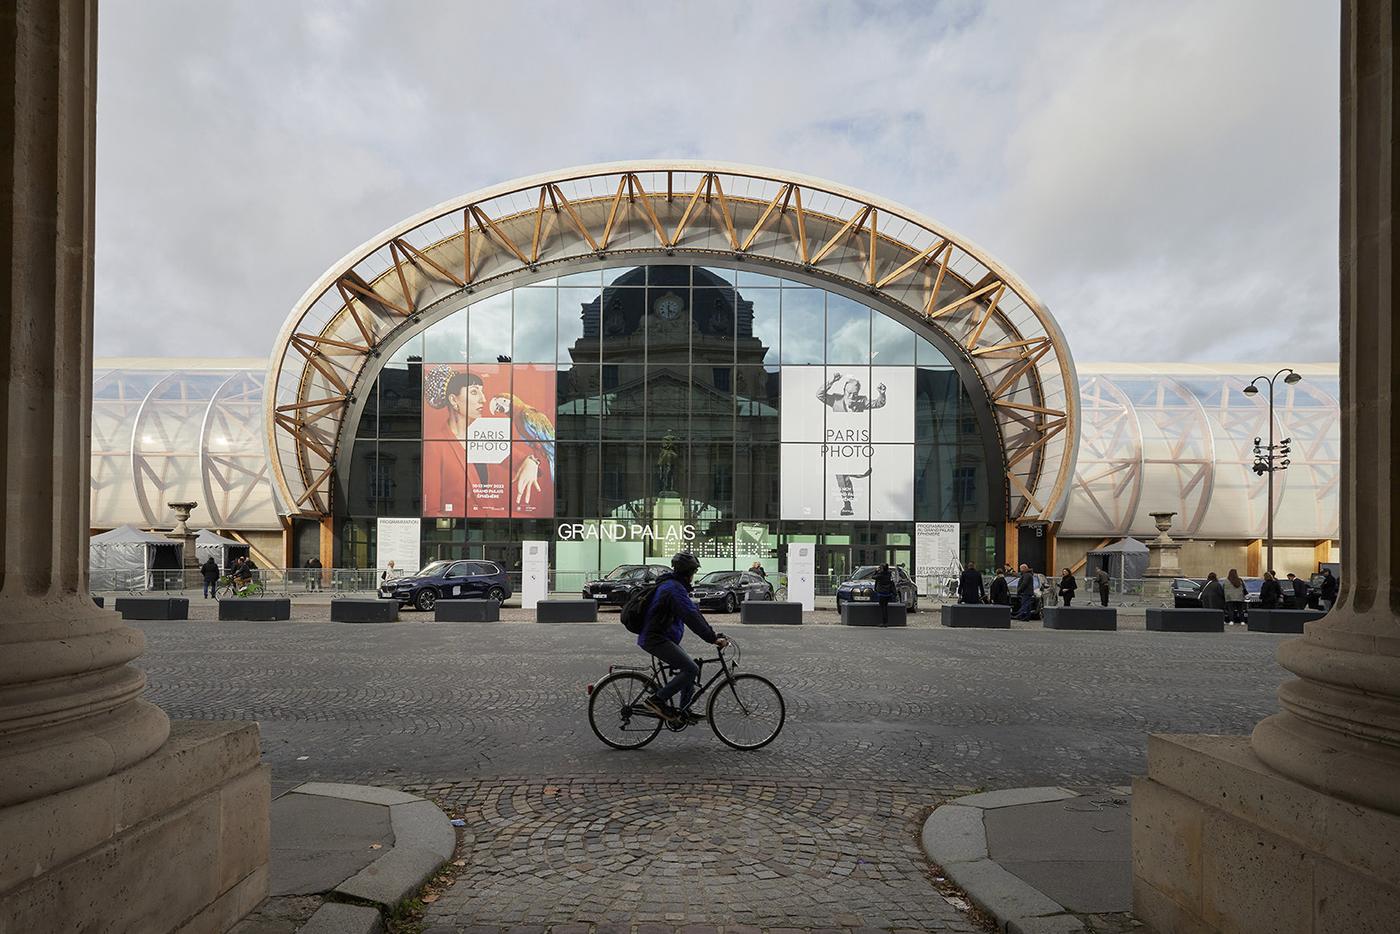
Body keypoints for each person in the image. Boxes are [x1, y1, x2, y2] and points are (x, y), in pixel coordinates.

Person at [638, 553, 728, 724]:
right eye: (694, 572)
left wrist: (712, 633)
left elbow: (694, 613)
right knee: (691, 669)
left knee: (691, 665)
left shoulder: (674, 586)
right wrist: (711, 638)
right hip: (656, 639)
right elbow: (690, 616)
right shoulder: (674, 589)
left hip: (660, 637)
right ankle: (656, 700)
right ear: (689, 572)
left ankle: (684, 710)